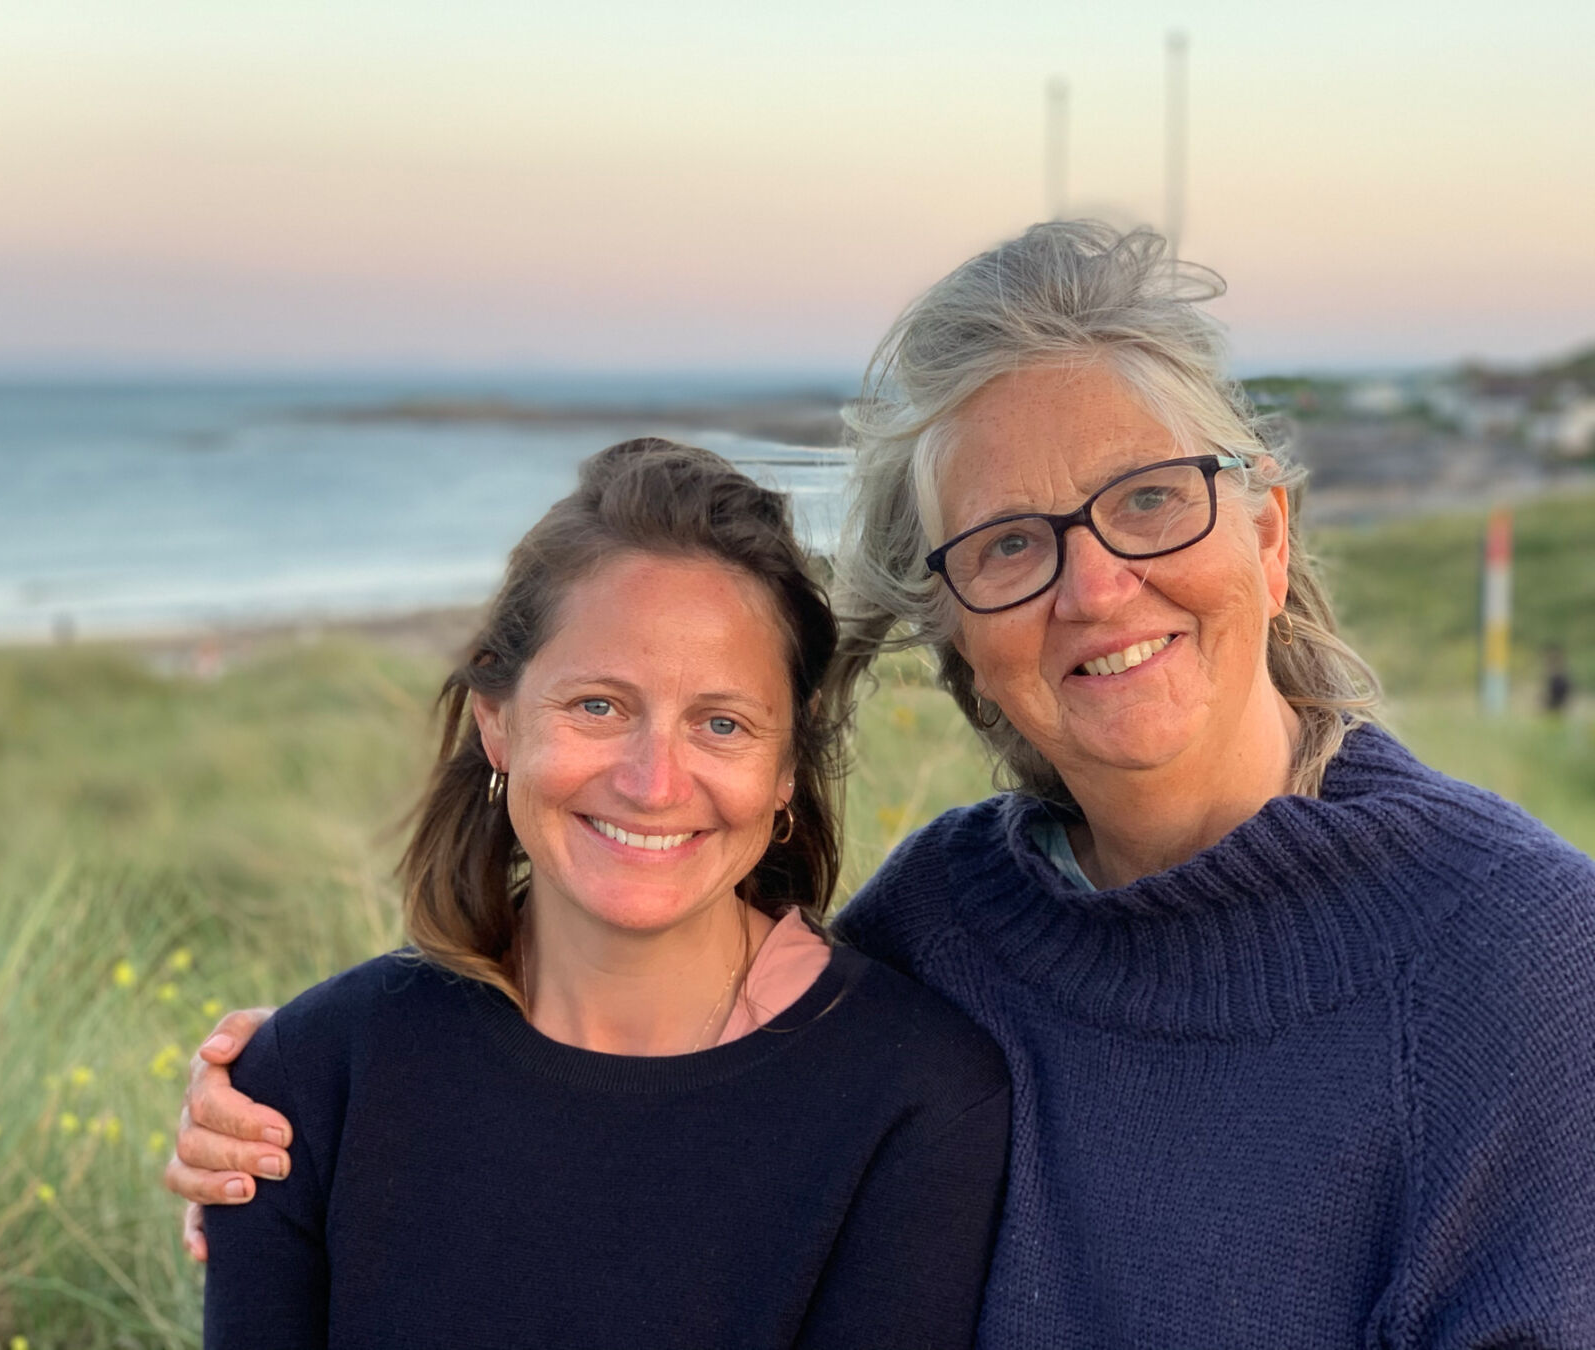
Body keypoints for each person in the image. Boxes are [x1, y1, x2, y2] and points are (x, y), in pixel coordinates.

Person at [174, 224, 1595, 1348]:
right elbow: (680, 1126)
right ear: (956, 639)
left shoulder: (1518, 956)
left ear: (1268, 534)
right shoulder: (944, 924)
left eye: (1153, 495)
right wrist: (297, 1114)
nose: (1097, 586)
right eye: (1009, 544)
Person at [199, 438, 1011, 1349]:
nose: (653, 782)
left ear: (788, 768)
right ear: (497, 722)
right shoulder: (306, 1082)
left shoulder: (919, 1099)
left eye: (722, 722)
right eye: (598, 706)